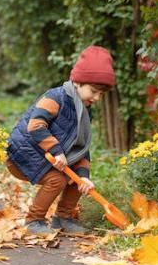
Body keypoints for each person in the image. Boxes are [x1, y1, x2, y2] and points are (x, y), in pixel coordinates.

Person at [6, 45, 115, 234]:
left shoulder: (85, 112)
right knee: (57, 180)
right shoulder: (56, 97)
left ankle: (62, 218)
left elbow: (81, 147)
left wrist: (83, 176)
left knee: (76, 181)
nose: (97, 98)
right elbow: (36, 125)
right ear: (78, 82)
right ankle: (34, 220)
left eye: (101, 94)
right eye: (94, 91)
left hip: (49, 158)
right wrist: (56, 151)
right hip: (23, 155)